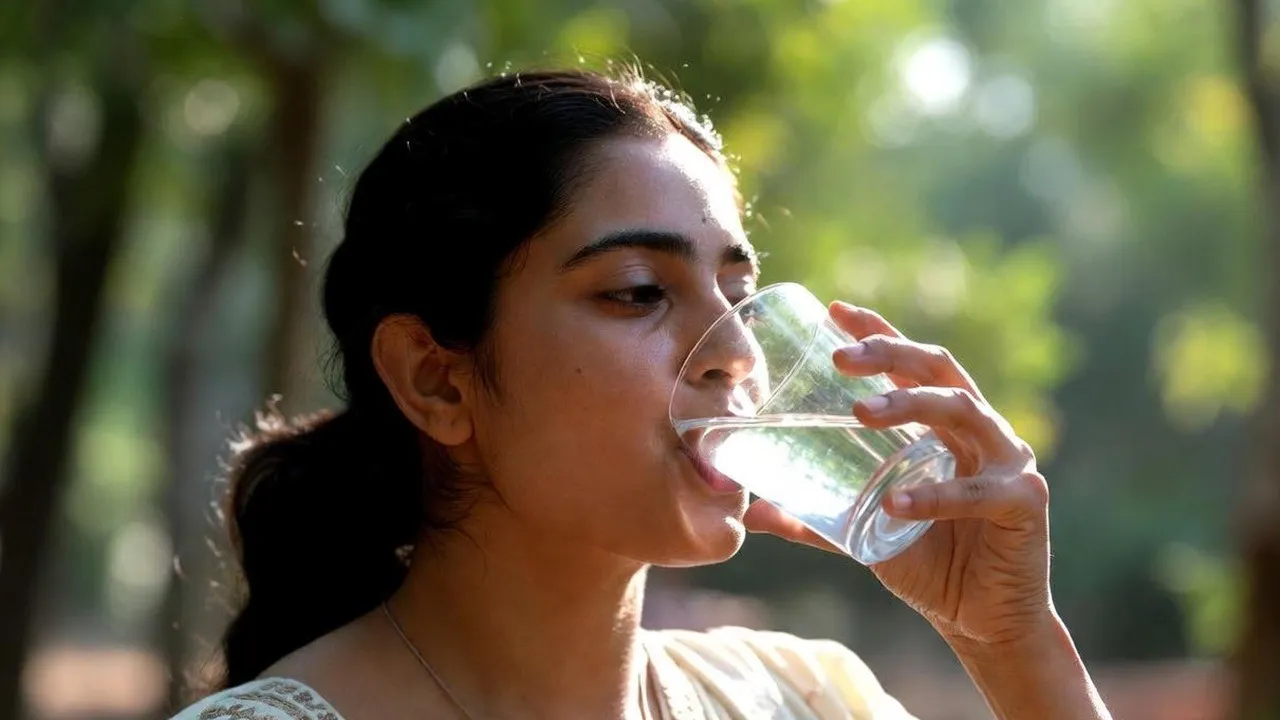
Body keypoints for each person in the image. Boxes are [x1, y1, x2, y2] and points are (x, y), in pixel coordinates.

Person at [170, 68, 1112, 720]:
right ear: (435, 378)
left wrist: (1009, 639)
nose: (738, 351)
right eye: (638, 293)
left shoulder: (805, 698)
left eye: (740, 298)